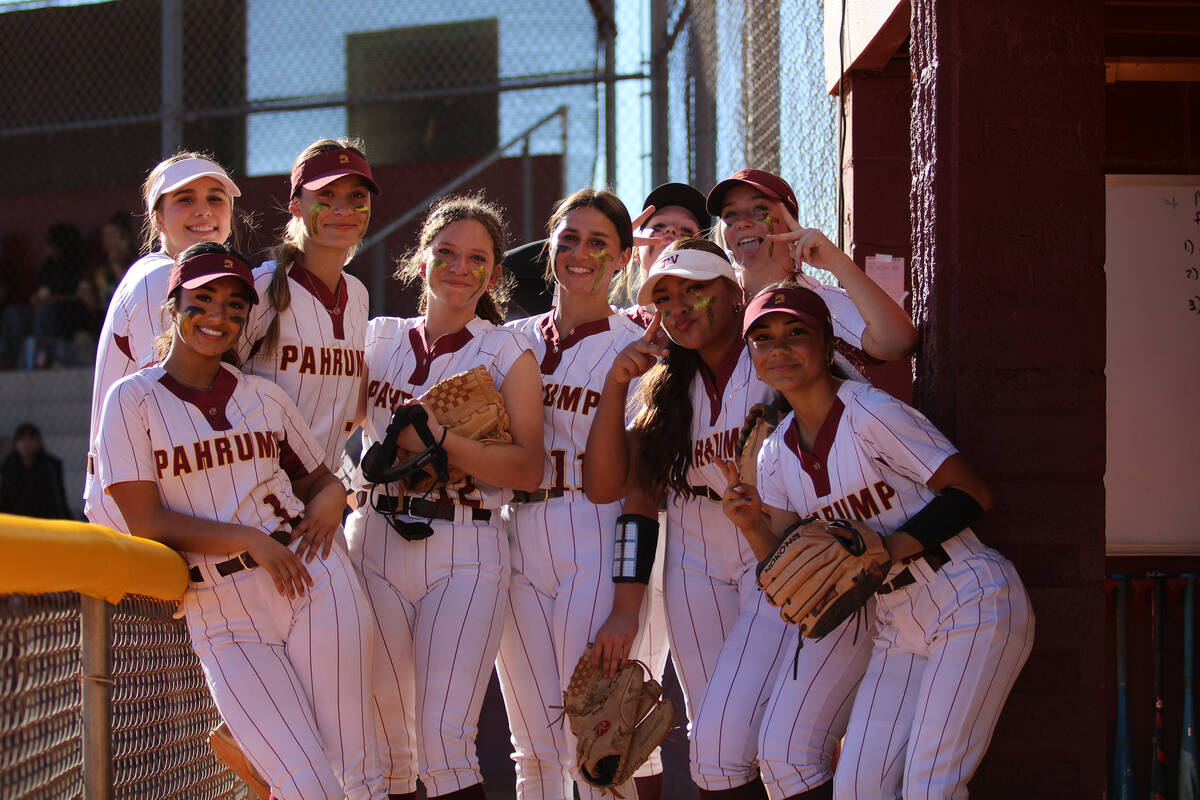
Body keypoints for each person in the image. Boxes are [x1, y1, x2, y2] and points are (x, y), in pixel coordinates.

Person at [720, 284, 1035, 799]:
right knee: (858, 790)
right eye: (763, 338)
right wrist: (752, 524)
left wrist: (887, 548)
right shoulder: (775, 452)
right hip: (895, 622)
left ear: (827, 346)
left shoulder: (872, 412)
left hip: (967, 596)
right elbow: (792, 572)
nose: (778, 347)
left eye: (796, 333)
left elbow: (972, 493)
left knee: (930, 788)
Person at [94, 243, 384, 799]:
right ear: (171, 306)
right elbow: (145, 521)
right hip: (220, 610)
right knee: (303, 783)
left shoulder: (263, 396)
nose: (218, 316)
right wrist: (248, 538)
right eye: (202, 300)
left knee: (359, 770)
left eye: (234, 305)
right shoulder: (130, 401)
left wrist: (330, 499)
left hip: (311, 576)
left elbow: (320, 480)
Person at [583, 237, 866, 800]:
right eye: (665, 297)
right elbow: (613, 490)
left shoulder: (776, 350)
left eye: (695, 288)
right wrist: (616, 388)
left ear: (735, 290)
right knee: (715, 758)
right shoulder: (663, 384)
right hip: (694, 555)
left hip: (776, 550)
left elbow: (854, 430)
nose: (680, 305)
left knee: (752, 742)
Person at [346, 194, 544, 800]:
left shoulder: (507, 349)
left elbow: (529, 469)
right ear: (421, 259)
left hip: (467, 539)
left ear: (495, 273)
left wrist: (439, 438)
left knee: (445, 738)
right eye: (447, 252)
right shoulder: (376, 338)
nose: (460, 267)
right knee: (385, 741)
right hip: (377, 536)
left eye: (477, 258)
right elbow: (331, 419)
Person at [495, 189, 667, 800]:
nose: (581, 253)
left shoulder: (641, 345)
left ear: (623, 258)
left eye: (599, 243)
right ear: (550, 248)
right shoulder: (509, 339)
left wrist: (628, 601)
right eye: (568, 239)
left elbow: (643, 483)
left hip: (593, 526)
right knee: (532, 749)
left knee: (594, 742)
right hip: (514, 528)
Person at [84, 153, 241, 534]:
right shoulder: (161, 279)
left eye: (215, 198)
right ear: (157, 219)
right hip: (138, 509)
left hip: (157, 496)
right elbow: (172, 406)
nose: (203, 211)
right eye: (185, 199)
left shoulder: (205, 281)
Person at [241, 137, 377, 474]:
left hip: (322, 498)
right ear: (296, 206)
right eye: (326, 196)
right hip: (256, 498)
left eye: (356, 197)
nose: (343, 210)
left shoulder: (358, 294)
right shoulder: (260, 287)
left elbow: (341, 410)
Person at [707, 169, 917, 381]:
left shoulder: (822, 301)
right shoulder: (712, 299)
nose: (742, 222)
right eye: (730, 215)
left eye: (759, 209)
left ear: (791, 221)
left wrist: (837, 263)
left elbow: (898, 343)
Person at [0, 423, 70, 519]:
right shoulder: (8, 466)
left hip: (44, 518)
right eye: (22, 438)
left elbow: (58, 499)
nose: (27, 443)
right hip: (15, 519)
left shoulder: (50, 466)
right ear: (15, 444)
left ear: (39, 442)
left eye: (31, 438)